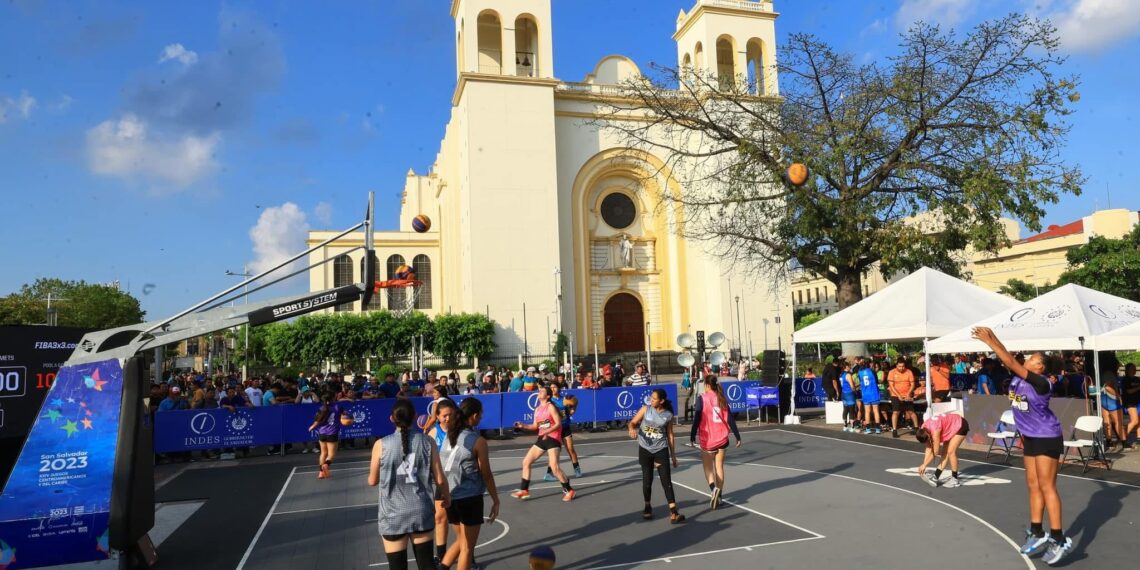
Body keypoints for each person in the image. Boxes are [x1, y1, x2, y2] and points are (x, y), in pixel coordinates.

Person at [972, 326, 1072, 564]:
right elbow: (1009, 361)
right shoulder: (1018, 379)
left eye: (1034, 359)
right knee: (1032, 484)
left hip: (1047, 436)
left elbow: (1008, 359)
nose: (1028, 359)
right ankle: (1037, 531)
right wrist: (994, 337)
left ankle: (1059, 538)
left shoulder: (1042, 383)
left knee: (1048, 486)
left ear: (1041, 368)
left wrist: (990, 341)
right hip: (1030, 436)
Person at [368, 398, 450, 570]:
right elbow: (440, 479)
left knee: (397, 566)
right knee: (426, 564)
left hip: (392, 514)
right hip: (420, 510)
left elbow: (372, 481)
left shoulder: (381, 444)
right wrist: (447, 497)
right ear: (414, 417)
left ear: (392, 419)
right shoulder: (428, 441)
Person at [437, 398, 499, 570]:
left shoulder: (449, 436)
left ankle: (442, 567)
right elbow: (486, 473)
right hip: (469, 497)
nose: (480, 418)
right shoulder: (477, 440)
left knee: (461, 540)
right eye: (480, 415)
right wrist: (496, 500)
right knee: (467, 548)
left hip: (451, 495)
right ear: (474, 415)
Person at [628, 388, 685, 523]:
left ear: (661, 401)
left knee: (666, 481)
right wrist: (631, 428)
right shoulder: (645, 409)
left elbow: (670, 435)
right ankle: (647, 506)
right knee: (647, 481)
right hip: (645, 449)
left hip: (660, 449)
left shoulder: (668, 415)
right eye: (651, 398)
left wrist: (673, 455)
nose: (651, 400)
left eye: (654, 399)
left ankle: (674, 512)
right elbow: (633, 422)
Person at [510, 386, 575, 502]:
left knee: (554, 468)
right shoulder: (537, 409)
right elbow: (535, 426)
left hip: (553, 439)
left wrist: (547, 431)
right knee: (526, 462)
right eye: (539, 391)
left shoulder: (550, 407)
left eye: (542, 391)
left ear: (548, 396)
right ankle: (524, 490)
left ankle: (569, 490)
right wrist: (523, 425)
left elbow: (558, 424)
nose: (539, 392)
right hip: (542, 439)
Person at [689, 375, 741, 509]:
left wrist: (692, 434)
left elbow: (697, 418)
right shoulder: (722, 398)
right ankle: (721, 496)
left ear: (706, 385)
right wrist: (737, 436)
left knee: (708, 467)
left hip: (708, 439)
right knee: (719, 467)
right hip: (723, 438)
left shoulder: (702, 398)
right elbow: (730, 418)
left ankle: (713, 490)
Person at [427, 398, 458, 565]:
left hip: (459, 480)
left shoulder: (460, 431)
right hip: (442, 479)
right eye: (444, 415)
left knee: (460, 520)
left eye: (450, 415)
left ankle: (469, 555)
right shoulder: (433, 433)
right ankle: (441, 555)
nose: (448, 418)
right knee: (440, 517)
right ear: (437, 417)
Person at [916, 412, 970, 488]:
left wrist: (924, 465)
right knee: (944, 454)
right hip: (950, 427)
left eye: (928, 440)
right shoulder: (923, 428)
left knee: (951, 452)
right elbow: (928, 448)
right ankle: (936, 477)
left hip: (960, 425)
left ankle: (955, 479)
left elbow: (935, 451)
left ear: (928, 435)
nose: (928, 442)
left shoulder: (935, 431)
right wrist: (924, 464)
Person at [307, 392, 346, 479]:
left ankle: (320, 472)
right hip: (332, 433)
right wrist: (349, 419)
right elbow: (345, 415)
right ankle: (326, 465)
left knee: (323, 453)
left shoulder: (322, 408)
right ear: (332, 399)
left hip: (322, 433)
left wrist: (312, 427)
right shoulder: (337, 407)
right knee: (331, 454)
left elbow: (316, 421)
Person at [545, 392, 583, 480]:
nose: (553, 389)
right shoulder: (550, 401)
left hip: (565, 428)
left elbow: (571, 411)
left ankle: (577, 469)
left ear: (558, 388)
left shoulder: (565, 399)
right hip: (555, 429)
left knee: (570, 449)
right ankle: (549, 474)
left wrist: (573, 409)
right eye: (552, 387)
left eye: (555, 387)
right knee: (554, 453)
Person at [888, 357, 918, 438]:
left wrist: (908, 394)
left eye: (903, 366)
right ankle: (894, 430)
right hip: (895, 395)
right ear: (896, 365)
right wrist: (898, 395)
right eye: (899, 366)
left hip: (907, 395)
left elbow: (912, 384)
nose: (901, 368)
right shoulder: (892, 372)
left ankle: (916, 428)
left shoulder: (909, 372)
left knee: (911, 411)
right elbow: (891, 385)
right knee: (896, 412)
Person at [858, 361, 882, 434]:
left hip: (865, 394)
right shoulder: (872, 371)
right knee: (876, 411)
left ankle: (868, 429)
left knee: (867, 411)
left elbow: (860, 382)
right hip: (874, 392)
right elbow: (877, 381)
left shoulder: (859, 373)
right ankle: (878, 429)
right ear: (868, 365)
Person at [1120, 363, 1139, 449]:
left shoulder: (1137, 379)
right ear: (1127, 370)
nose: (1134, 370)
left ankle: (1138, 438)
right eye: (1132, 369)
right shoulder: (1125, 380)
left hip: (1137, 402)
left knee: (1139, 421)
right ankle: (1122, 437)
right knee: (1134, 420)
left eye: (1135, 368)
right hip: (1130, 402)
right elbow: (1128, 391)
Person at [840, 362, 859, 432]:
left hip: (843, 393)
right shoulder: (848, 375)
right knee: (851, 411)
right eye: (849, 366)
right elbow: (851, 386)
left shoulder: (841, 375)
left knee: (845, 410)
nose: (850, 367)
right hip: (849, 394)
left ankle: (845, 426)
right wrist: (855, 390)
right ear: (846, 367)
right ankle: (852, 427)